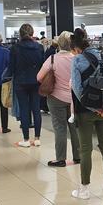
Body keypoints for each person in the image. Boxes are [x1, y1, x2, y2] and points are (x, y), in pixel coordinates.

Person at [70, 28, 103, 199]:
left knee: (85, 149)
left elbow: (76, 88)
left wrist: (93, 108)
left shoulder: (77, 61)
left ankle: (84, 189)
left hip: (85, 111)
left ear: (76, 48)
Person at [37, 31, 80, 167]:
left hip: (56, 98)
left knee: (60, 128)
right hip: (74, 98)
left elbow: (39, 77)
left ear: (59, 44)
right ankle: (78, 156)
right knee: (75, 128)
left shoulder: (52, 59)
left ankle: (61, 158)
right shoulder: (77, 59)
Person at [6, 24, 44, 147]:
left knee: (24, 109)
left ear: (20, 34)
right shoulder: (39, 47)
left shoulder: (15, 48)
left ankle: (26, 139)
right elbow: (42, 65)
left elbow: (11, 67)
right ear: (32, 33)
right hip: (36, 81)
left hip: (20, 82)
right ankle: (37, 138)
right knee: (36, 109)